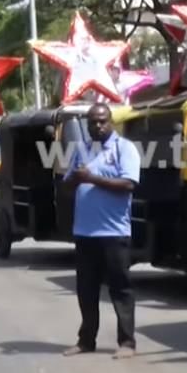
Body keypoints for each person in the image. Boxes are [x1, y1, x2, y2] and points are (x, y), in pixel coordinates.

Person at [62, 104, 141, 358]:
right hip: (85, 232)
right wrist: (75, 178)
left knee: (120, 288)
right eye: (93, 122)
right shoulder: (82, 149)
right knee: (86, 289)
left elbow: (128, 184)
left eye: (103, 121)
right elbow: (67, 187)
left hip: (114, 233)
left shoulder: (124, 149)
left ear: (111, 122)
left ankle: (127, 342)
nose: (98, 126)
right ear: (87, 124)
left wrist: (91, 178)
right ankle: (86, 340)